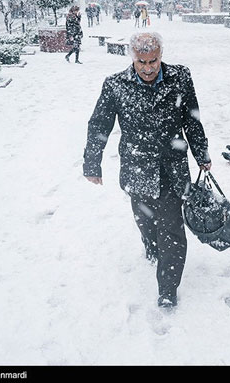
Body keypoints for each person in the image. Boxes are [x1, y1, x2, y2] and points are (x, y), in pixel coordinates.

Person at [83, 32, 212, 309]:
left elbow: (192, 119)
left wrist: (202, 153)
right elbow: (98, 126)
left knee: (172, 229)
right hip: (137, 168)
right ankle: (151, 245)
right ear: (133, 58)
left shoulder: (181, 77)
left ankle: (168, 287)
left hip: (172, 168)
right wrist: (92, 163)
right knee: (146, 222)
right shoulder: (115, 85)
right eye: (142, 62)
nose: (148, 67)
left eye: (153, 60)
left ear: (161, 55)